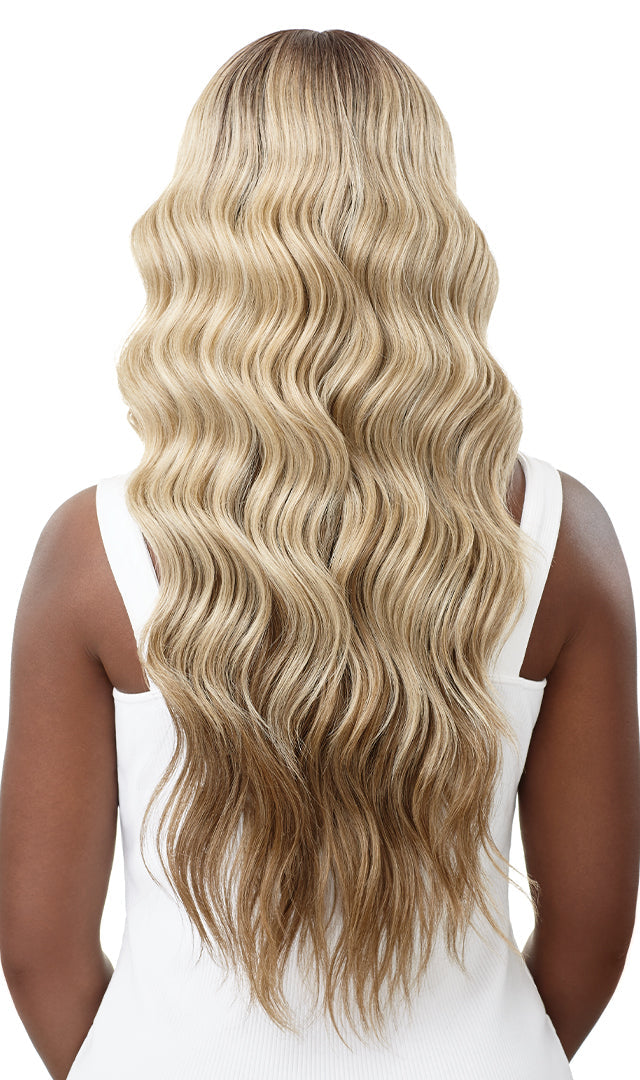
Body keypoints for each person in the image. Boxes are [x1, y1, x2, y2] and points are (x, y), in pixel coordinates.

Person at [1, 27, 638, 1080]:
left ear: (203, 230)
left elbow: (39, 953)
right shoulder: (563, 537)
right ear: (429, 228)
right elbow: (593, 933)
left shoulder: (92, 551)